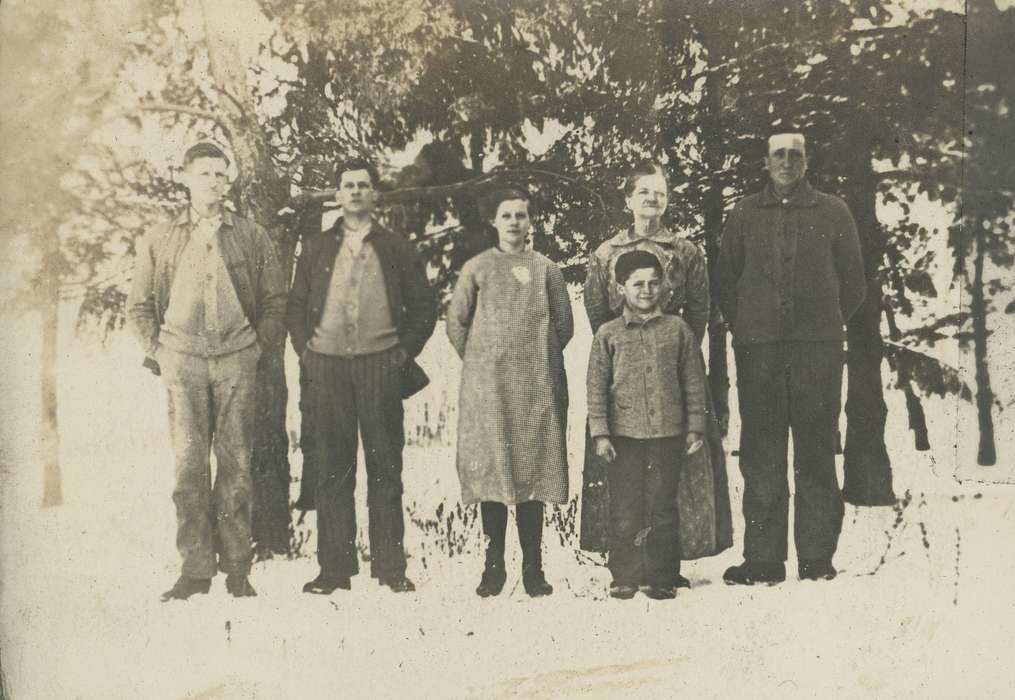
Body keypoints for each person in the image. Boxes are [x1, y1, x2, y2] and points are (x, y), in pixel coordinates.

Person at [127, 142, 287, 601]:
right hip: (183, 360)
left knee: (237, 463)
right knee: (188, 467)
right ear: (185, 178)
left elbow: (275, 300)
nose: (213, 183)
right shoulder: (161, 237)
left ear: (228, 180)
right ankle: (195, 569)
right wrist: (159, 352)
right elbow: (138, 305)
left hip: (237, 357)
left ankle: (238, 568)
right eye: (204, 174)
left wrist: (257, 348)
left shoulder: (250, 235)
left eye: (221, 175)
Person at [714, 132, 866, 585]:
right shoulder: (743, 213)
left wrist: (821, 326)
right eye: (778, 154)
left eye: (794, 155)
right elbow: (726, 280)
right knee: (761, 450)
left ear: (806, 160)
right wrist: (750, 327)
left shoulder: (833, 211)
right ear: (766, 161)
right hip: (758, 353)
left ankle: (817, 557)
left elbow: (854, 284)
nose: (786, 162)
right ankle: (763, 559)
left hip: (816, 353)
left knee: (816, 449)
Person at [286, 157, 437, 595]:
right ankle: (334, 570)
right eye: (347, 185)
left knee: (385, 467)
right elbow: (296, 305)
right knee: (332, 468)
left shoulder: (396, 247)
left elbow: (424, 307)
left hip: (380, 367)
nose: (355, 192)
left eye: (363, 185)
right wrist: (307, 351)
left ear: (375, 195)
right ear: (337, 195)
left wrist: (401, 354)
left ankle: (390, 568)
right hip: (327, 367)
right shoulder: (315, 248)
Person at [580, 161, 731, 585]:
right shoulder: (605, 253)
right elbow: (597, 316)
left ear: (667, 198)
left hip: (672, 374)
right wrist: (626, 355)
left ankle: (667, 568)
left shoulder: (686, 251)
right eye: (643, 191)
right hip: (622, 377)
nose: (651, 199)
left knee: (671, 479)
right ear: (628, 200)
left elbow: (699, 311)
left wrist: (672, 349)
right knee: (626, 482)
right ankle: (627, 568)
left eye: (659, 191)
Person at [446, 188, 573, 598]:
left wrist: (536, 359)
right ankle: (493, 565)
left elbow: (564, 325)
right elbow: (456, 323)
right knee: (494, 471)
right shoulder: (478, 268)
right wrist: (484, 362)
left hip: (535, 388)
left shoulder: (546, 270)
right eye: (507, 215)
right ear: (495, 222)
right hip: (490, 392)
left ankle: (534, 567)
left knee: (531, 469)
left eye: (521, 215)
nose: (515, 222)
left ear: (531, 221)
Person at [586, 250, 706, 600]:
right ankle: (624, 574)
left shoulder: (678, 330)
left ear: (664, 286)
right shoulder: (608, 334)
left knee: (662, 505)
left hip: (667, 434)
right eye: (637, 283)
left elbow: (694, 381)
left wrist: (694, 426)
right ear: (620, 287)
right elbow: (596, 387)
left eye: (654, 283)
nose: (646, 290)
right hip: (624, 437)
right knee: (625, 506)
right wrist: (601, 433)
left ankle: (662, 575)